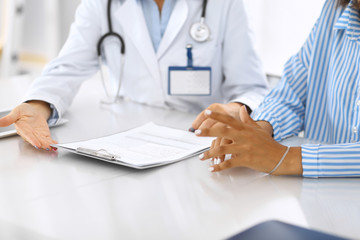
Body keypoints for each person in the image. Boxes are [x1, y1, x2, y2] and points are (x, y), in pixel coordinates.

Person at [0, 0, 268, 150]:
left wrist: (237, 109)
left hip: (201, 142)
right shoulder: (101, 5)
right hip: (128, 139)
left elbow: (252, 87)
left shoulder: (225, 5)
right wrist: (38, 105)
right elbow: (67, 67)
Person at [196, 0, 360, 178]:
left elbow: (287, 159)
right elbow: (292, 92)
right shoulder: (335, 9)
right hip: (316, 196)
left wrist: (289, 158)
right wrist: (260, 128)